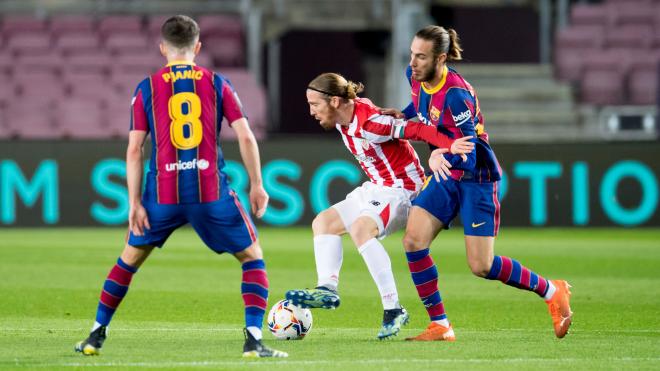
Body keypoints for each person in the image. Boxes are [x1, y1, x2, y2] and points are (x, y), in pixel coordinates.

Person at [74, 15, 286, 358]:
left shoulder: (147, 87)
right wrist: (258, 184)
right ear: (198, 47)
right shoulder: (217, 82)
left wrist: (133, 203)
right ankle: (253, 340)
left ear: (163, 49)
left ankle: (95, 335)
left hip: (162, 194)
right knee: (252, 258)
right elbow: (246, 135)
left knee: (128, 261)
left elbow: (133, 149)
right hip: (210, 191)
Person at [380, 25, 573, 341]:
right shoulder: (414, 76)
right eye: (412, 55)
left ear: (440, 58)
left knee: (481, 266)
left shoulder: (457, 96)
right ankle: (440, 325)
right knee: (413, 241)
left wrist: (438, 155)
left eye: (421, 57)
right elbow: (421, 104)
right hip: (445, 174)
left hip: (476, 177)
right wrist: (402, 115)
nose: (413, 63)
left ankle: (553, 290)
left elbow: (468, 155)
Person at [285, 72, 474, 339]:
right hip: (377, 186)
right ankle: (327, 288)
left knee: (362, 229)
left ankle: (393, 309)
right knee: (323, 223)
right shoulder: (346, 116)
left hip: (402, 190)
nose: (311, 111)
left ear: (336, 101)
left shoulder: (371, 124)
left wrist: (451, 144)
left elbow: (417, 129)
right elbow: (366, 105)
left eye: (315, 104)